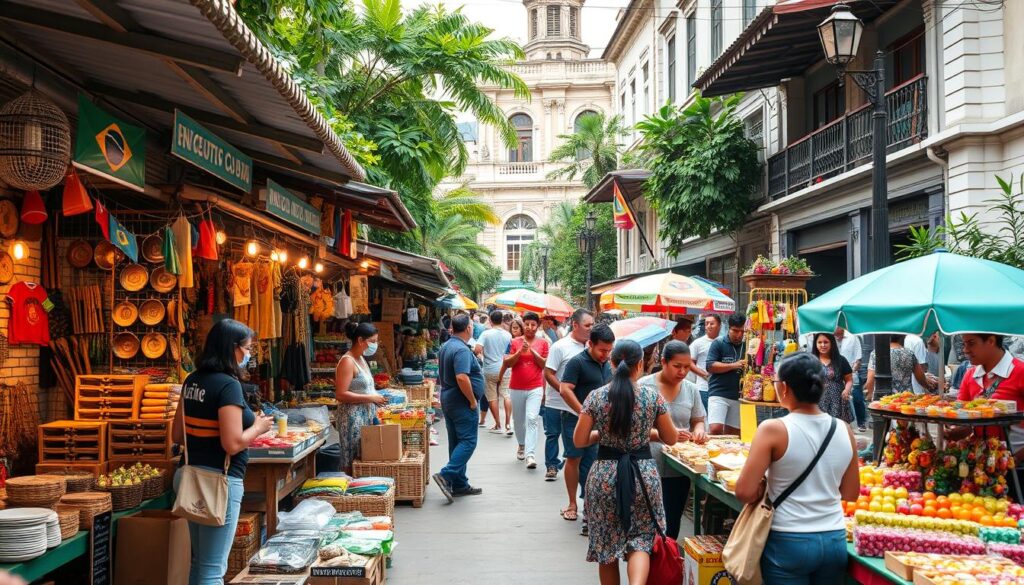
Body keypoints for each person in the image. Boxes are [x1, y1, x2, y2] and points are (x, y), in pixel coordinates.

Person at [734, 352, 860, 585]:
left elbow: (743, 492)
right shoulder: (844, 429)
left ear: (784, 387)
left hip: (788, 539)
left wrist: (764, 487)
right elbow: (851, 493)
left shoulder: (773, 429)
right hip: (834, 539)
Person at [172, 319, 275, 584]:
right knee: (212, 569)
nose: (248, 354)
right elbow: (232, 443)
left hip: (189, 476)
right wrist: (259, 427)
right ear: (233, 348)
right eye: (247, 348)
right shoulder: (228, 385)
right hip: (218, 482)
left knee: (200, 564)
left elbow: (176, 434)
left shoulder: (193, 380)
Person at [573, 339, 678, 585]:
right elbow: (671, 438)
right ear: (640, 364)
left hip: (604, 476)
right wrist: (645, 433)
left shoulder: (595, 397)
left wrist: (603, 434)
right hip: (642, 475)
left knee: (606, 546)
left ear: (612, 363)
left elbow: (579, 440)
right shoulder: (653, 397)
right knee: (641, 540)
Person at [637, 341, 707, 539]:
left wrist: (699, 431)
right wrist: (667, 434)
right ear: (664, 362)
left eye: (686, 367)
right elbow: (633, 428)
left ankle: (666, 563)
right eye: (677, 366)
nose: (683, 372)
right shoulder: (644, 387)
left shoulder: (691, 389)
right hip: (648, 464)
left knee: (672, 521)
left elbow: (698, 420)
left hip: (680, 466)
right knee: (648, 522)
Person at [559, 323, 615, 534]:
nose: (606, 354)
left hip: (600, 422)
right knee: (574, 458)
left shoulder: (608, 363)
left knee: (592, 463)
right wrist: (583, 411)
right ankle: (572, 503)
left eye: (609, 351)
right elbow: (565, 389)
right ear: (590, 344)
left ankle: (589, 508)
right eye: (602, 350)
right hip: (574, 419)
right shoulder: (577, 362)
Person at [433, 314, 487, 503]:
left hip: (450, 398)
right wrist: (472, 400)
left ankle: (459, 484)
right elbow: (462, 377)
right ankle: (446, 475)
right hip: (461, 399)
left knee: (457, 441)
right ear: (468, 328)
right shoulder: (461, 350)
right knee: (468, 441)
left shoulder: (447, 346)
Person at [955, 333, 1024, 466]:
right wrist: (957, 430)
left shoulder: (1020, 372)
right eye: (964, 344)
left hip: (1017, 466)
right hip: (980, 463)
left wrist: (1019, 457)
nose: (965, 350)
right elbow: (962, 417)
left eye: (971, 343)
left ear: (991, 341)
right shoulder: (970, 375)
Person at [543, 309, 594, 482]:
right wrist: (564, 391)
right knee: (552, 435)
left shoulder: (590, 347)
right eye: (587, 325)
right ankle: (551, 465)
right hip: (557, 403)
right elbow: (549, 373)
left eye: (592, 325)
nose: (590, 329)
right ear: (575, 325)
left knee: (577, 449)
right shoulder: (560, 346)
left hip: (579, 407)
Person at [335, 322, 388, 472]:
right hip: (352, 419)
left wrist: (377, 396)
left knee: (363, 457)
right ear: (360, 340)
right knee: (351, 459)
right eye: (372, 341)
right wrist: (371, 398)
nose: (375, 345)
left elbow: (366, 388)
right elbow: (340, 394)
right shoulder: (347, 361)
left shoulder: (361, 359)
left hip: (366, 416)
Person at [501, 311, 549, 468]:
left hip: (535, 387)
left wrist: (533, 352)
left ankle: (530, 454)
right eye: (527, 324)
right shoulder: (514, 341)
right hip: (516, 387)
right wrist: (519, 352)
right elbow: (508, 362)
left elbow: (544, 365)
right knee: (519, 421)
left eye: (533, 325)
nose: (530, 327)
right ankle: (521, 444)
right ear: (523, 324)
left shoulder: (543, 343)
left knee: (532, 418)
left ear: (537, 326)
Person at [706, 313, 746, 435]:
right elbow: (710, 366)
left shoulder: (748, 345)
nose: (739, 335)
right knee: (715, 429)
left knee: (733, 435)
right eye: (735, 331)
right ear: (729, 328)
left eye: (742, 331)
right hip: (718, 392)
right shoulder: (718, 343)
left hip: (738, 396)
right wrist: (734, 365)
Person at [864, 335, 934, 400]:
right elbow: (920, 378)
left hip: (885, 400)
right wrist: (928, 387)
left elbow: (870, 380)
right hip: (906, 400)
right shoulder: (909, 353)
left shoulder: (876, 353)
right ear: (902, 337)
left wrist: (870, 396)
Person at [478, 310, 513, 434]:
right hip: (505, 368)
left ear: (490, 320)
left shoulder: (486, 334)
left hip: (489, 369)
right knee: (506, 394)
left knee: (492, 397)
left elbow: (477, 349)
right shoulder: (508, 335)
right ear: (502, 320)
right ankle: (508, 424)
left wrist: (483, 353)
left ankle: (498, 424)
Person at [811, 333, 855, 424]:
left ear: (832, 343)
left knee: (837, 427)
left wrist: (847, 390)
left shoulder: (841, 360)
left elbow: (849, 379)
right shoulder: (811, 360)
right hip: (817, 400)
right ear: (815, 344)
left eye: (826, 342)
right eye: (819, 342)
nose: (822, 345)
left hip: (837, 400)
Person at [834, 327, 866, 431]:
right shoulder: (829, 338)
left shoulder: (852, 337)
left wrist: (851, 371)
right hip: (835, 375)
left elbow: (858, 359)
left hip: (851, 373)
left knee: (857, 398)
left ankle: (861, 422)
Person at [689, 314, 721, 411]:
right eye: (707, 323)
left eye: (712, 323)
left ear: (719, 325)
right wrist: (705, 375)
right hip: (703, 388)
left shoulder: (724, 341)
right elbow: (690, 363)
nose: (708, 326)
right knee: (704, 416)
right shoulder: (697, 343)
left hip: (721, 388)